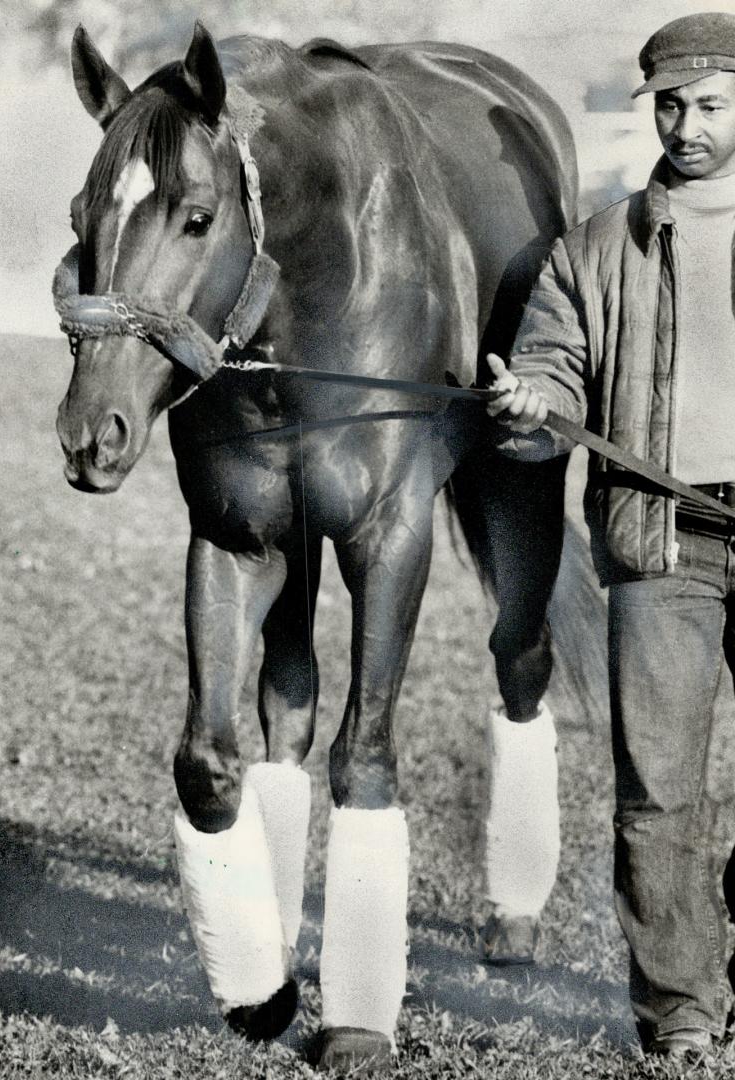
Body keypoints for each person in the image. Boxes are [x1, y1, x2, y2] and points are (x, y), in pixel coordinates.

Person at [486, 10, 735, 1060]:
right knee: (658, 798)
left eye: (711, 105)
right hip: (657, 545)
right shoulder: (590, 251)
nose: (687, 125)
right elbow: (547, 376)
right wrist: (524, 405)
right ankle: (679, 1013)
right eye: (670, 106)